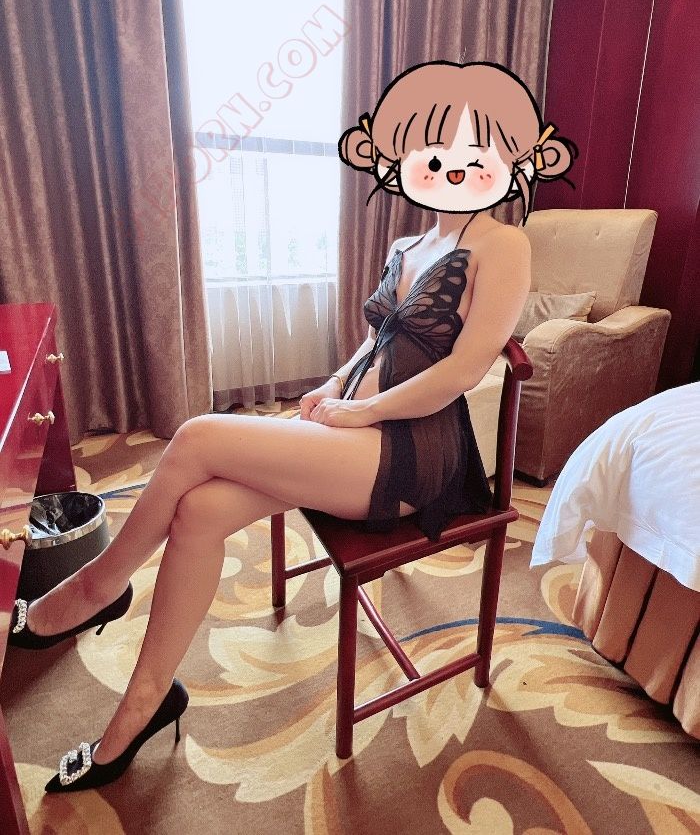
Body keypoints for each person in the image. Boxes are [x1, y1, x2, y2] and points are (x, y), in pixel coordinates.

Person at [10, 59, 576, 792]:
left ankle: (97, 587)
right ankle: (146, 702)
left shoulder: (505, 245)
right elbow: (373, 345)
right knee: (199, 510)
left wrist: (362, 410)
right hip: (353, 435)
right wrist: (332, 387)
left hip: (414, 455)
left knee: (198, 437)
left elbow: (465, 369)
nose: (451, 168)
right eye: (431, 151)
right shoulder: (408, 246)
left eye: (475, 152)